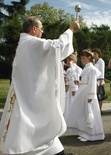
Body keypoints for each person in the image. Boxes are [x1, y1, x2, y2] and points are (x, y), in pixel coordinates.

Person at [0, 16, 80, 155]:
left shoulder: (24, 44)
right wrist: (71, 29)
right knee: (35, 132)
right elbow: (57, 46)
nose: (42, 31)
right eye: (41, 28)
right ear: (34, 29)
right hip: (31, 99)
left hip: (27, 94)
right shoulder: (31, 43)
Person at [66, 49, 105, 142]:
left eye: (83, 58)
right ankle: (84, 132)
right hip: (83, 92)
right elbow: (85, 82)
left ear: (89, 58)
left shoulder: (92, 69)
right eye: (81, 58)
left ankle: (90, 134)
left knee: (89, 113)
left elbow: (92, 84)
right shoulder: (86, 68)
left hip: (88, 93)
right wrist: (78, 82)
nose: (82, 60)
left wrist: (91, 96)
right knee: (83, 113)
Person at [64, 54, 82, 125]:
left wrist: (75, 88)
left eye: (69, 60)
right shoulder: (70, 68)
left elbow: (76, 78)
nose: (68, 61)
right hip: (69, 88)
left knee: (72, 104)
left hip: (73, 89)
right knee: (68, 104)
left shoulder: (76, 68)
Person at [92, 48, 106, 112]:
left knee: (100, 95)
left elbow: (102, 71)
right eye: (93, 54)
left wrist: (101, 80)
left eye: (95, 54)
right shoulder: (93, 61)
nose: (94, 55)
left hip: (99, 80)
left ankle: (99, 110)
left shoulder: (101, 61)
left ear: (98, 54)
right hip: (94, 80)